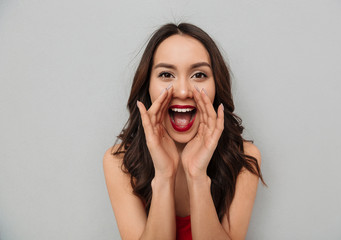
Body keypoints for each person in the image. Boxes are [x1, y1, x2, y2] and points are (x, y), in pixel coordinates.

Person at [103, 22, 265, 240]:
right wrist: (163, 176)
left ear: (216, 86)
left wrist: (197, 176)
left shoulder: (244, 158)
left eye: (199, 75)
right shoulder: (119, 162)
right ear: (147, 86)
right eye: (166, 75)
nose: (182, 91)